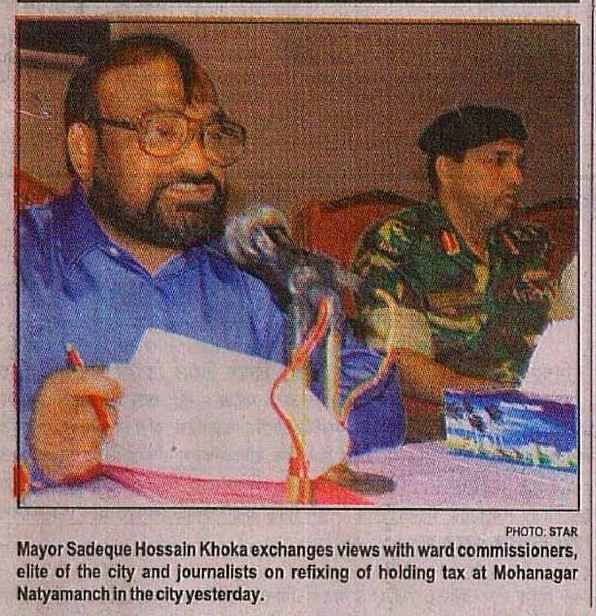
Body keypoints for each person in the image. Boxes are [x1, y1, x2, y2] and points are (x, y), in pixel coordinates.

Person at [19, 34, 404, 487]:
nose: (200, 162)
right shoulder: (22, 261)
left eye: (213, 136)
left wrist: (307, 427)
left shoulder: (252, 271)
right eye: (163, 132)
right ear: (85, 149)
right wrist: (28, 439)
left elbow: (373, 393)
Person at [353, 105, 553, 405]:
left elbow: (563, 334)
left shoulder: (529, 244)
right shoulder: (399, 243)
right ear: (446, 169)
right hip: (451, 417)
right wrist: (502, 401)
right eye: (498, 160)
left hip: (546, 411)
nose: (516, 177)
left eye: (518, 163)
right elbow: (400, 363)